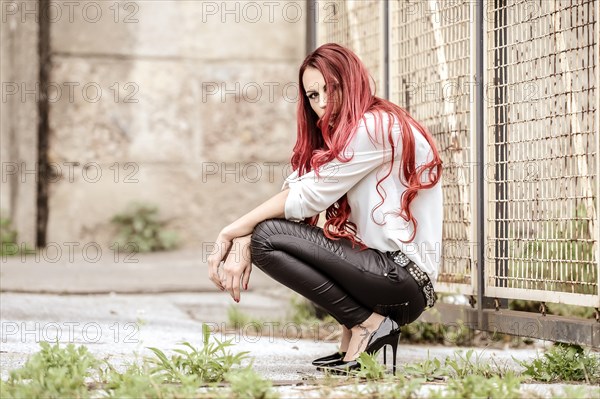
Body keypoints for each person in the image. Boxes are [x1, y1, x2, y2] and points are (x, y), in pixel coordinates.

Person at [207, 43, 443, 374]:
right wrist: (245, 235)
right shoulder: (350, 131)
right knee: (262, 234)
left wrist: (232, 231)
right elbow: (297, 187)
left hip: (402, 280)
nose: (321, 104)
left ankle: (367, 325)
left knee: (268, 237)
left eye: (328, 89)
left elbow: (308, 199)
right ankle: (359, 326)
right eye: (312, 96)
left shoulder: (376, 126)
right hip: (384, 275)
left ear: (351, 81)